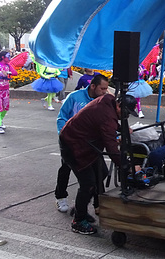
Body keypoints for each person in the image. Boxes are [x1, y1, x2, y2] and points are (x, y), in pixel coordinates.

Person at [59, 93, 139, 235]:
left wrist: (121, 129)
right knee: (88, 184)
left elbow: (108, 123)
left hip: (86, 143)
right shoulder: (107, 118)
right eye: (125, 112)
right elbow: (112, 149)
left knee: (101, 172)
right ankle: (78, 221)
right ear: (119, 105)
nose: (126, 116)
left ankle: (79, 209)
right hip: (73, 146)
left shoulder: (109, 101)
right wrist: (128, 167)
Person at [54, 74, 109, 214]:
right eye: (102, 88)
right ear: (93, 86)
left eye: (106, 89)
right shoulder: (75, 97)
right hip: (72, 143)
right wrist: (65, 137)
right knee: (66, 169)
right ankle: (61, 197)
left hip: (92, 145)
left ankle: (96, 203)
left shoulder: (102, 101)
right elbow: (61, 118)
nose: (104, 92)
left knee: (101, 172)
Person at [0, 51, 18, 134]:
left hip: (5, 89)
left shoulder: (8, 66)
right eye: (8, 56)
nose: (9, 58)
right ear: (2, 57)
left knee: (5, 107)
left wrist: (8, 73)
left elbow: (15, 73)